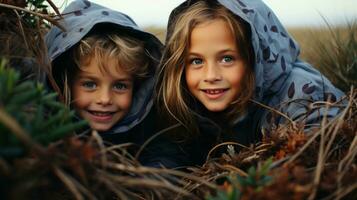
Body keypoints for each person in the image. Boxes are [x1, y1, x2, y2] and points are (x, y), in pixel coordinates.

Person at [156, 0, 345, 166]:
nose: (211, 75)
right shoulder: (189, 104)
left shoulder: (302, 96)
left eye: (227, 59)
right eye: (196, 61)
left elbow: (317, 164)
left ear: (255, 57)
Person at [45, 0, 175, 167]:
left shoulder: (147, 128)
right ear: (64, 82)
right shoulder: (43, 129)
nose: (105, 99)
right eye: (90, 84)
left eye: (120, 86)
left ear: (136, 87)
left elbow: (167, 154)